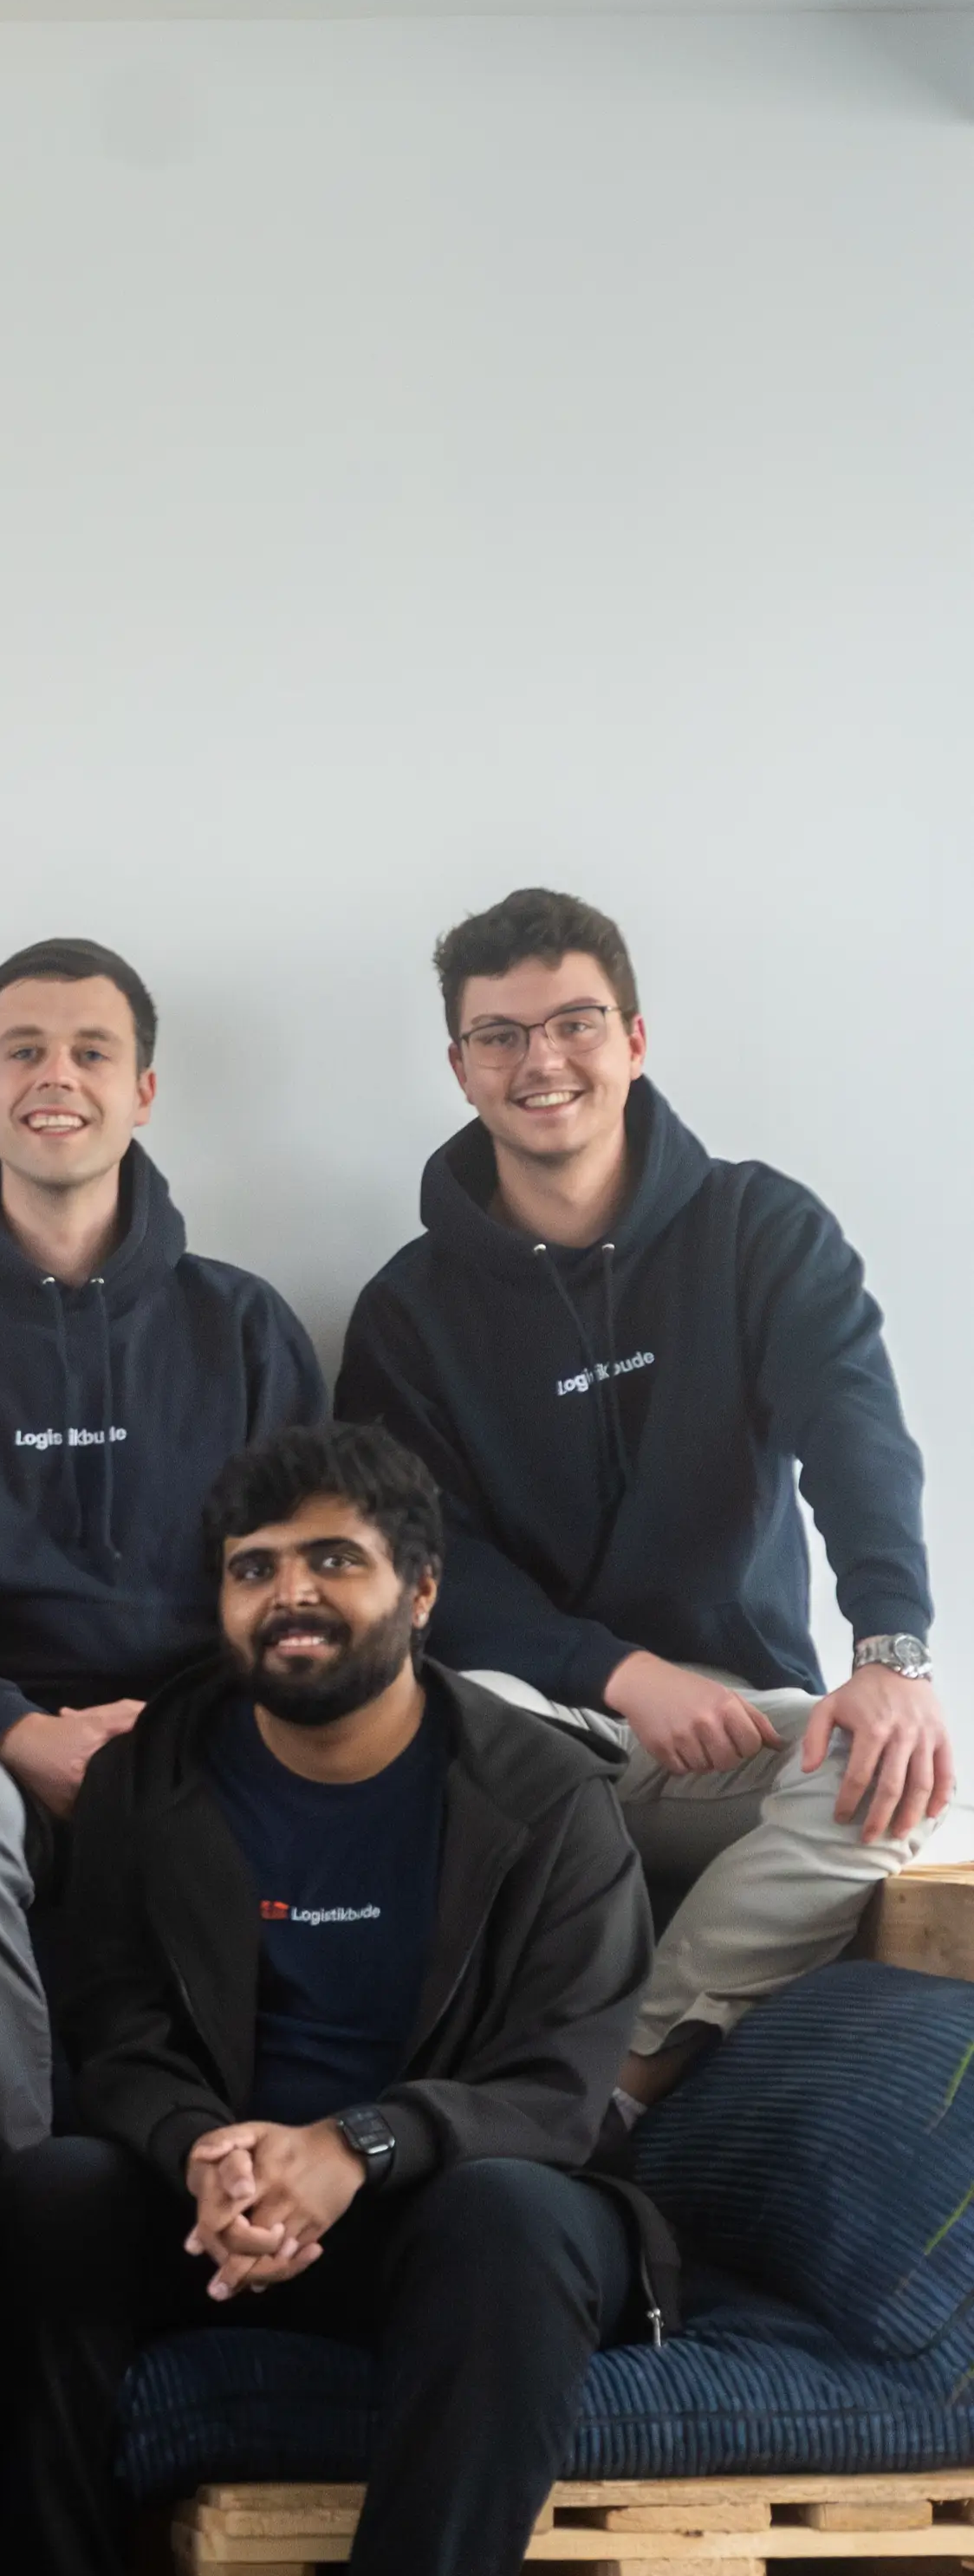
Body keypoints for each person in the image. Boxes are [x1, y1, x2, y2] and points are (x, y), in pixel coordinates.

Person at [0, 1422, 653, 2576]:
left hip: (453, 2207)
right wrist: (203, 2153)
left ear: (419, 1590)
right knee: (46, 2198)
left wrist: (362, 2142)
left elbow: (558, 2084)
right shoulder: (158, 1773)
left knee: (511, 2220)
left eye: (333, 1560)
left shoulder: (545, 1800)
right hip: (212, 2206)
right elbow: (111, 2025)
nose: (292, 1595)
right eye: (255, 1569)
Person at [339, 885, 954, 2102]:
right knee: (446, 1733)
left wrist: (894, 1650)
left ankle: (622, 2076)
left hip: (737, 1723)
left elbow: (856, 1435)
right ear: (461, 1067)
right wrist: (619, 1673)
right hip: (538, 1714)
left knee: (895, 1778)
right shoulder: (407, 1312)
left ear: (634, 1037)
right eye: (502, 1035)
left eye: (573, 1022)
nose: (542, 1060)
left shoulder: (757, 1228)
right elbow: (423, 1566)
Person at [0, 940, 323, 2169]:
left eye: (92, 1051)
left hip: (206, 1719)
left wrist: (168, 1732)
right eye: (25, 1051)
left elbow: (298, 1584)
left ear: (143, 1090)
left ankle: (246, 2171)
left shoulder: (247, 1322)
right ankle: (28, 2190)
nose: (59, 1077)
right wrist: (14, 1730)